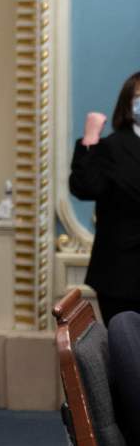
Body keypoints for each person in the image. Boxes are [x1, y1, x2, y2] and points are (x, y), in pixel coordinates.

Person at [69, 70, 140, 324]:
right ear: (128, 104)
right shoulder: (113, 146)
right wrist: (89, 141)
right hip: (121, 274)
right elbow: (85, 188)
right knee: (126, 354)